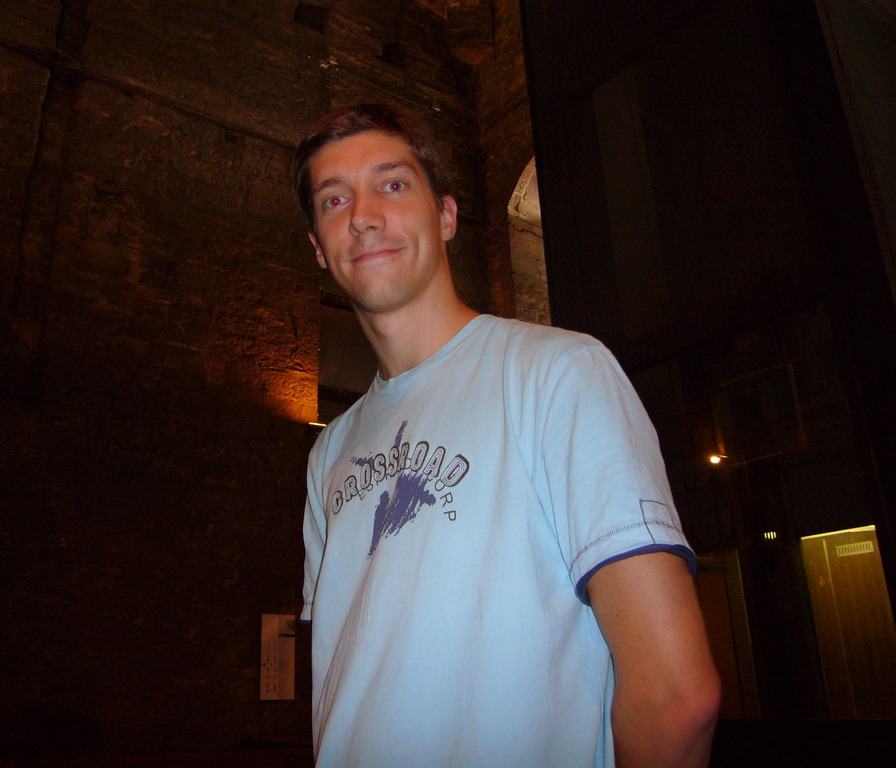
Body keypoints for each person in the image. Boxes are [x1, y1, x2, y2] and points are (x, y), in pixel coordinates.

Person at [293, 103, 720, 768]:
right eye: (334, 198)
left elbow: (675, 695)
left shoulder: (558, 374)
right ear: (319, 248)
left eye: (394, 184)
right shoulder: (329, 451)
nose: (363, 214)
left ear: (447, 215)